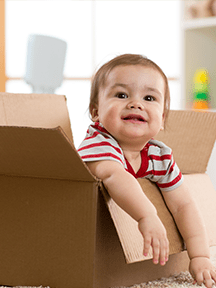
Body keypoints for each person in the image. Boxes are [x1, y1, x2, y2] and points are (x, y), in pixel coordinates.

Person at [78, 54, 216, 288]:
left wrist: (200, 256)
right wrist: (147, 216)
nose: (136, 103)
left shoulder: (159, 155)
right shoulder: (98, 143)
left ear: (161, 119)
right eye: (121, 95)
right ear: (96, 112)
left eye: (149, 97)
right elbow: (115, 175)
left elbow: (183, 205)